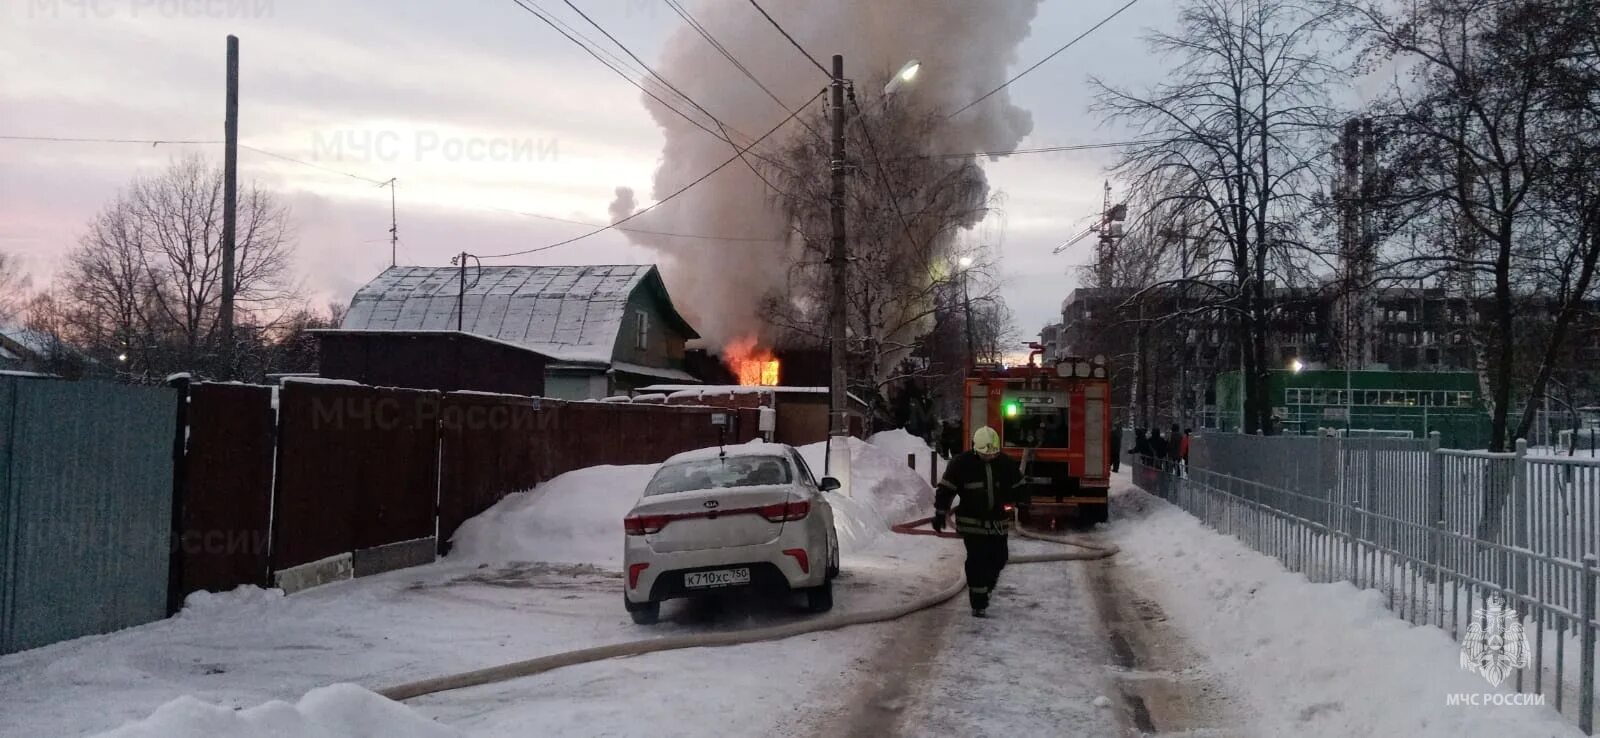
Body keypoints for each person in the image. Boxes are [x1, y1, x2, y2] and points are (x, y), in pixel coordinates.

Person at [932, 426, 1024, 618]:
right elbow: (946, 489)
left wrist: (1023, 499)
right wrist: (940, 512)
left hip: (998, 523)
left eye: (992, 454)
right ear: (975, 448)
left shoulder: (1005, 463)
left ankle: (987, 587)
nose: (989, 457)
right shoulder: (961, 464)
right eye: (985, 454)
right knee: (976, 560)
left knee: (1000, 558)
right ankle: (978, 602)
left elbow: (1019, 485)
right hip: (972, 523)